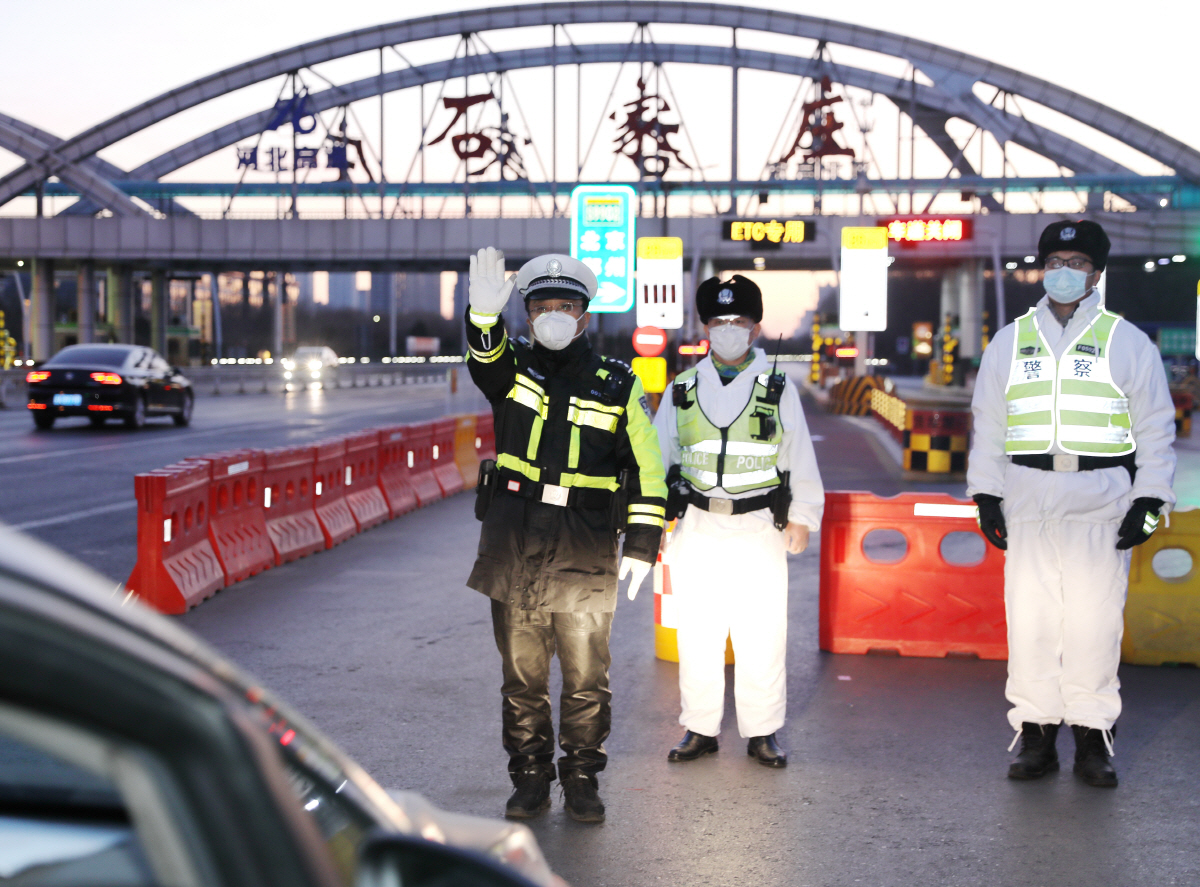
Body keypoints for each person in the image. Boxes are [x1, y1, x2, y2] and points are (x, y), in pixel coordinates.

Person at [967, 220, 1176, 787]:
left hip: (1101, 499)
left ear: (1097, 273)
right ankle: (1035, 737)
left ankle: (1093, 740)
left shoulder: (1126, 341)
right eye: (1056, 259)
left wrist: (1151, 499)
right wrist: (985, 494)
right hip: (1028, 496)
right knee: (1031, 622)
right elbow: (989, 424)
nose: (1065, 271)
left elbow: (1156, 429)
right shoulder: (1009, 341)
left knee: (1093, 623)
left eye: (1078, 262)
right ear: (1042, 267)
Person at [464, 247, 667, 822]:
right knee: (522, 679)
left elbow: (648, 470)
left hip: (584, 546)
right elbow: (485, 359)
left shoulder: (618, 384)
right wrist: (483, 318)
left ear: (585, 314)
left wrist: (645, 544)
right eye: (543, 305)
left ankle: (581, 777)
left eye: (566, 304)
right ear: (527, 315)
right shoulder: (512, 371)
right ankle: (528, 777)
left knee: (585, 678)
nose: (554, 313)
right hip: (515, 546)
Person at [652, 275, 824, 768]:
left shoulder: (777, 387)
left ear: (755, 328)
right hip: (698, 528)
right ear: (706, 326)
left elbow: (800, 457)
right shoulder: (682, 388)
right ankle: (699, 728)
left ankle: (762, 731)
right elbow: (659, 457)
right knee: (698, 634)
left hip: (758, 529)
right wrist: (650, 516)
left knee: (762, 635)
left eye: (739, 321)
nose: (729, 329)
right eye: (720, 321)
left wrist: (804, 518)